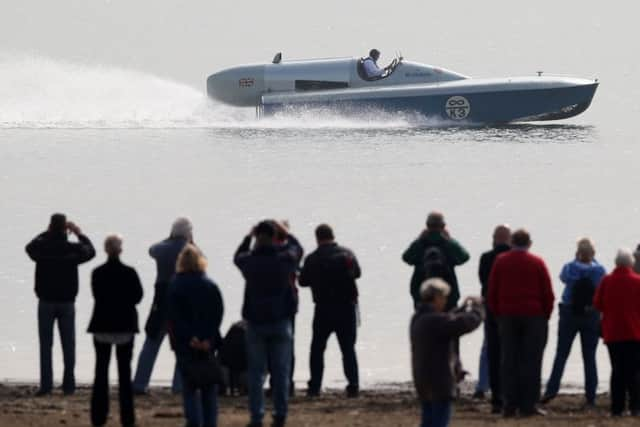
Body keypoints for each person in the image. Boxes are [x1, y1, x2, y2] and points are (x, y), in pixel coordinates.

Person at [234, 221, 298, 427]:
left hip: (255, 322)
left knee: (256, 373)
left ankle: (257, 416)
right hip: (280, 320)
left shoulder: (249, 261)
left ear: (257, 237)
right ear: (274, 236)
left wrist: (247, 237)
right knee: (281, 372)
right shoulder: (283, 259)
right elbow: (298, 249)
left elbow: (237, 256)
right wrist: (286, 233)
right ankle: (280, 414)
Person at [25, 213, 96, 396]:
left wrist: (46, 233)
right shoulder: (72, 248)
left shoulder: (42, 247)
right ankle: (69, 385)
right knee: (68, 345)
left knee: (45, 345)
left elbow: (29, 247)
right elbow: (91, 251)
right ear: (65, 228)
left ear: (50, 226)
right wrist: (79, 233)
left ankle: (46, 385)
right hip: (67, 301)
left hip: (46, 301)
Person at [488, 229, 554, 417]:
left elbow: (492, 290)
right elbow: (547, 292)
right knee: (531, 361)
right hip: (534, 315)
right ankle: (529, 404)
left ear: (512, 242)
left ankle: (509, 404)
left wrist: (497, 314)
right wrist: (545, 315)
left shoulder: (501, 261)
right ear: (529, 243)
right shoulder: (537, 262)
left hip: (507, 315)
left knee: (509, 361)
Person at [411, 278, 484, 427]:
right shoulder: (435, 321)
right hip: (439, 381)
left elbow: (447, 320)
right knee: (439, 422)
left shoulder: (419, 318)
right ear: (436, 298)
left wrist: (461, 309)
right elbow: (465, 324)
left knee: (428, 421)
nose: (445, 301)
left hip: (423, 380)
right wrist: (478, 309)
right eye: (444, 297)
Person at [541, 238, 606, 407]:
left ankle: (551, 390)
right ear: (593, 253)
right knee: (589, 356)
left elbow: (563, 278)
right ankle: (591, 395)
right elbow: (602, 285)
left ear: (578, 252)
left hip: (569, 311)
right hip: (591, 313)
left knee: (561, 354)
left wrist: (577, 259)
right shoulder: (599, 270)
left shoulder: (570, 268)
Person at [299, 224, 361, 398]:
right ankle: (353, 385)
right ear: (333, 236)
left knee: (317, 349)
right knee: (348, 348)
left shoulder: (312, 258)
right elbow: (357, 273)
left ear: (317, 238)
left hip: (323, 309)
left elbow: (302, 282)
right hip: (346, 307)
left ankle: (314, 387)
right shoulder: (347, 254)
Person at [133, 217, 193, 395]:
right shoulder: (191, 250)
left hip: (161, 302)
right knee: (182, 347)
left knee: (151, 343)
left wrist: (169, 239)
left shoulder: (162, 249)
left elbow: (151, 249)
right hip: (182, 305)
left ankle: (139, 383)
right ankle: (179, 386)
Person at [88, 235, 143, 427]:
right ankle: (127, 419)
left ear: (105, 250)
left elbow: (96, 294)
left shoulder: (97, 273)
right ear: (120, 250)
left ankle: (98, 417)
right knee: (125, 375)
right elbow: (138, 296)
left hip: (102, 325)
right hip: (125, 326)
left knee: (101, 373)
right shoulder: (129, 273)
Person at [168, 244, 224, 427]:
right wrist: (208, 338)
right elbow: (217, 314)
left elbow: (174, 316)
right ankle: (210, 423)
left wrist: (189, 337)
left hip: (186, 343)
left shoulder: (176, 285)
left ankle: (194, 422)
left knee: (189, 386)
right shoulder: (210, 285)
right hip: (207, 343)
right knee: (209, 386)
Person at [593, 249, 640, 416]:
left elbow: (597, 304)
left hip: (612, 332)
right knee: (634, 370)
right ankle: (635, 406)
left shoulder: (606, 281)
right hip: (634, 332)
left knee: (617, 370)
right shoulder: (637, 281)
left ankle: (617, 407)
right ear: (630, 263)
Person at [402, 212, 470, 310]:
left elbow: (406, 258)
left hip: (422, 296)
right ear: (443, 226)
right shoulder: (448, 244)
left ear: (427, 225)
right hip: (448, 296)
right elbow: (464, 257)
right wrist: (450, 240)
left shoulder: (421, 244)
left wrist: (419, 240)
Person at [477, 225, 511, 412]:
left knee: (492, 352)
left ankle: (495, 396)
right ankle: (509, 395)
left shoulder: (486, 258)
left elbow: (483, 280)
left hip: (491, 309)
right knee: (512, 353)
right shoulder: (515, 259)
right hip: (511, 311)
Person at [272, 220, 304, 396]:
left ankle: (274, 382)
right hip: (287, 305)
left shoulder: (261, 254)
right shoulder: (289, 254)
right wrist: (287, 233)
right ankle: (287, 382)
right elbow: (299, 249)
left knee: (267, 346)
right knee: (287, 346)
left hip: (263, 307)